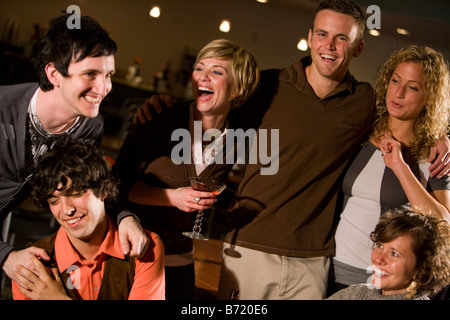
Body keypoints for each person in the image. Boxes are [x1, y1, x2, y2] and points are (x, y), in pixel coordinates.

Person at [133, 0, 450, 300]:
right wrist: (165, 107)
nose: (330, 45)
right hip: (250, 248)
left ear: (358, 48)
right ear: (310, 38)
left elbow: (406, 115)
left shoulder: (365, 103)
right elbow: (210, 111)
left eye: (342, 38)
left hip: (313, 262)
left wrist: (439, 136)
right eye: (323, 34)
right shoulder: (265, 86)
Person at [0, 14, 148, 293]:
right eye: (90, 74)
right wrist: (5, 256)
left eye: (108, 75)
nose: (103, 88)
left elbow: (92, 184)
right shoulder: (1, 109)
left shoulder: (89, 126)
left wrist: (125, 216)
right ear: (54, 73)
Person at [113, 39, 260, 300]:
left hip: (180, 258)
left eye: (216, 71)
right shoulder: (159, 116)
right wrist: (173, 197)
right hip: (135, 252)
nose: (203, 77)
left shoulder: (236, 139)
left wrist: (230, 201)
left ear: (237, 89)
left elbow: (209, 185)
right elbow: (117, 185)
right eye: (199, 68)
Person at [329, 45, 450, 296]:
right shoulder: (363, 132)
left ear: (429, 97)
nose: (399, 92)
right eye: (395, 80)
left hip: (385, 281)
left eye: (413, 87)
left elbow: (443, 222)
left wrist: (399, 166)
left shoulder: (436, 155)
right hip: (334, 268)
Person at [11, 136, 165, 300]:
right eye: (54, 201)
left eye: (76, 194)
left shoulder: (143, 247)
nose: (67, 210)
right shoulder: (32, 265)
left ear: (104, 190)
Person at [327, 208, 450, 300]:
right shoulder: (354, 294)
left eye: (394, 254)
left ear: (422, 267)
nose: (378, 259)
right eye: (380, 246)